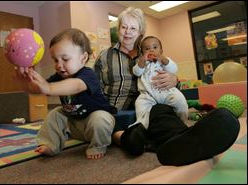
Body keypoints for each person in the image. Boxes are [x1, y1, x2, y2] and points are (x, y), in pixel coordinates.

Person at [94, 7, 239, 166]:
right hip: (121, 113)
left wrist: (174, 79)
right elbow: (94, 90)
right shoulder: (104, 57)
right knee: (147, 127)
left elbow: (169, 71)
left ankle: (186, 141)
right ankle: (155, 140)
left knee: (162, 112)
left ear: (140, 32)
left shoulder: (151, 51)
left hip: (151, 108)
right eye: (124, 27)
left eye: (133, 28)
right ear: (118, 28)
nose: (127, 32)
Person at [16, 28, 116, 160]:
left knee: (100, 118)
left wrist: (49, 88)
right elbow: (42, 90)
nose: (59, 65)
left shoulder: (88, 74)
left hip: (96, 125)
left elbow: (77, 85)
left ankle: (98, 145)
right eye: (55, 60)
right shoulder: (59, 76)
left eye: (65, 59)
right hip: (74, 125)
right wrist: (28, 85)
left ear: (83, 58)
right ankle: (51, 144)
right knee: (55, 113)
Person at [130, 36, 188, 130]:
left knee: (180, 101)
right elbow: (136, 72)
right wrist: (142, 61)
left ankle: (183, 122)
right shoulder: (142, 63)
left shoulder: (164, 61)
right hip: (147, 94)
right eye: (147, 49)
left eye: (155, 47)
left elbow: (174, 69)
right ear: (142, 53)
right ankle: (141, 126)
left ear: (161, 51)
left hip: (166, 91)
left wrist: (163, 59)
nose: (151, 50)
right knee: (140, 105)